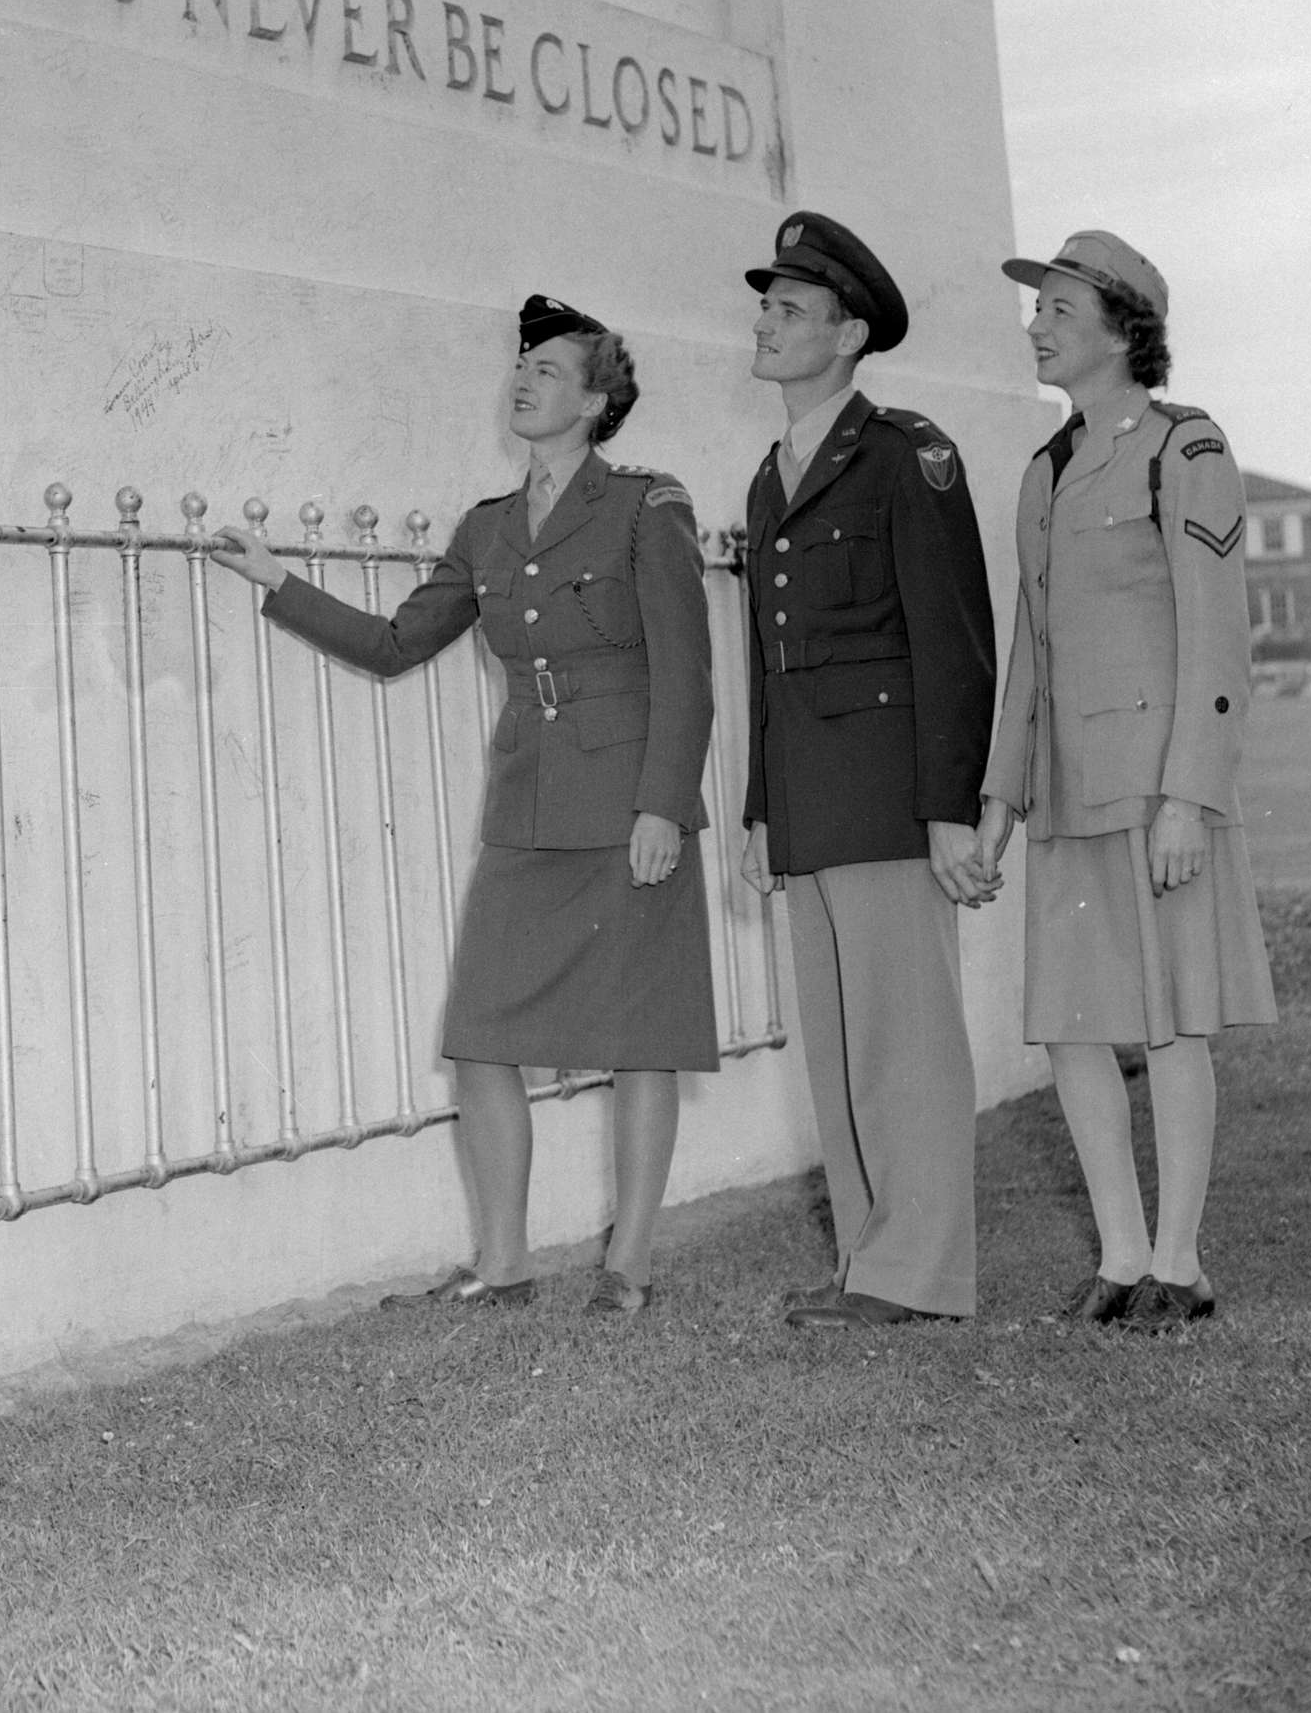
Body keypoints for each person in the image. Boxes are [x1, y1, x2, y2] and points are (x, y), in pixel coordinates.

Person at [210, 296, 715, 1314]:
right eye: (522, 365)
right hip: (526, 808)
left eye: (552, 370)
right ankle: (502, 1262)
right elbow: (399, 644)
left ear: (598, 399)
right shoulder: (486, 528)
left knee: (640, 1036)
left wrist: (664, 804)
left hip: (627, 811)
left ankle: (631, 1263)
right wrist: (279, 582)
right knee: (480, 1032)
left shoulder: (646, 507)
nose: (524, 378)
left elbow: (687, 673)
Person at [974, 232, 1275, 1331]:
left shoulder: (1185, 447)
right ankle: (1120, 1253)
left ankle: (1182, 1264)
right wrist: (997, 808)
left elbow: (1217, 639)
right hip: (1063, 791)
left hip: (1156, 793)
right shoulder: (1044, 471)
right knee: (1071, 1026)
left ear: (1121, 325)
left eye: (1058, 306)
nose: (1038, 324)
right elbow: (1030, 655)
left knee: (1174, 1023)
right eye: (1036, 308)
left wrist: (1192, 796)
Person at [736, 211, 1000, 1330]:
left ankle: (921, 1271)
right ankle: (868, 1261)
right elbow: (768, 664)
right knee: (841, 1045)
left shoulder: (905, 455)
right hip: (811, 797)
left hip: (892, 795)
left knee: (906, 1043)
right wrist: (760, 809)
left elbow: (956, 639)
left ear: (848, 335)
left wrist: (952, 807)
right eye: (768, 304)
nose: (768, 321)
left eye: (792, 309)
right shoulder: (770, 476)